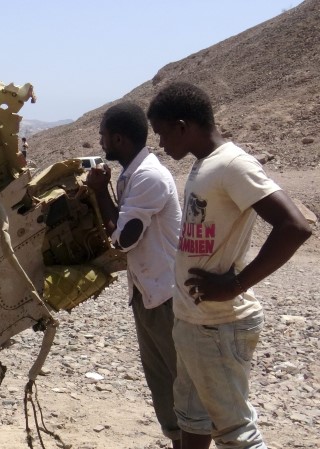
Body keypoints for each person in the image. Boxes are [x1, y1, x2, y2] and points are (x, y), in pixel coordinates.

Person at [147, 82, 312, 449]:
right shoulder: (205, 165)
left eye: (162, 134)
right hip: (193, 321)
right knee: (192, 418)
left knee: (236, 434)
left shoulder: (232, 164)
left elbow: (295, 227)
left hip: (219, 325)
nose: (161, 144)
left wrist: (234, 284)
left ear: (181, 126)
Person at [86, 102, 183, 449]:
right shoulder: (132, 175)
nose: (101, 143)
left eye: (103, 137)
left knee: (181, 385)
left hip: (167, 296)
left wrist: (98, 193)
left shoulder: (149, 177)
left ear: (119, 138)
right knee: (163, 386)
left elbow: (125, 238)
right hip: (147, 292)